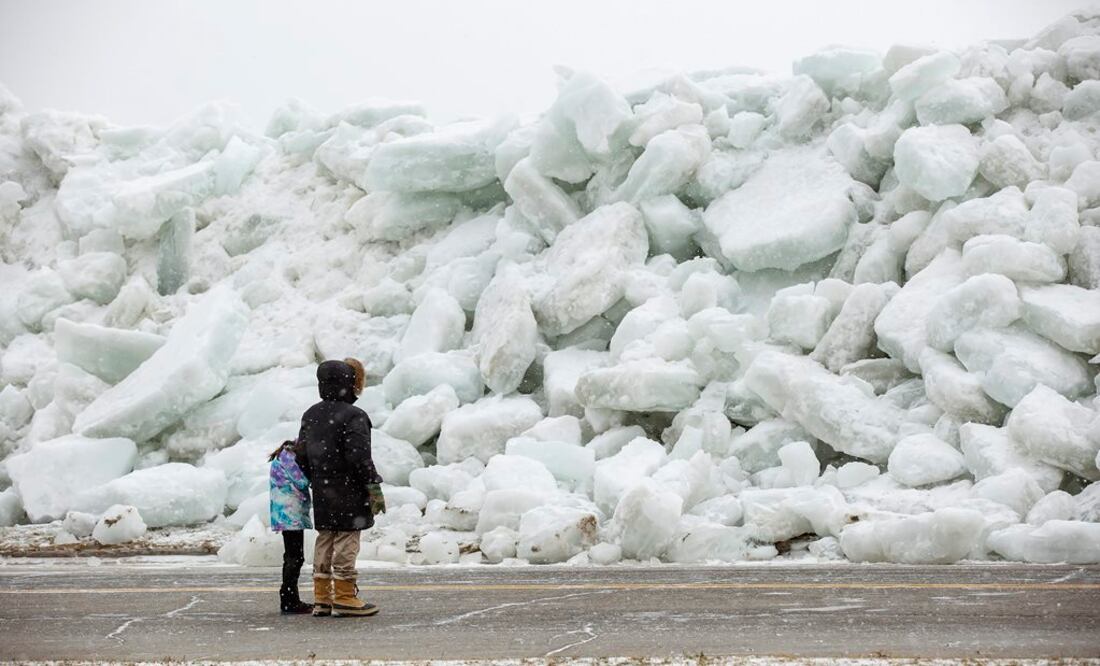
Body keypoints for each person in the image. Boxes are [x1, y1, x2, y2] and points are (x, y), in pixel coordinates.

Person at [296, 358, 384, 618]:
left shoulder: (311, 414)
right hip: (349, 489)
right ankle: (345, 596)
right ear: (349, 383)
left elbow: (301, 454)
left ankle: (322, 598)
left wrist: (316, 477)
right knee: (347, 537)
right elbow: (359, 456)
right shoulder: (354, 415)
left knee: (325, 538)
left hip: (323, 489)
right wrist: (373, 485)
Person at [268, 439, 313, 614]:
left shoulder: (282, 456)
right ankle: (288, 599)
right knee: (295, 557)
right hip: (289, 513)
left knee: (292, 556)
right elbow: (301, 482)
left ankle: (289, 597)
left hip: (284, 512)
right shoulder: (289, 459)